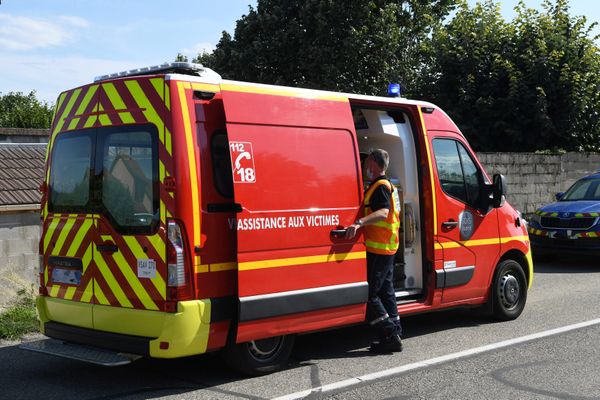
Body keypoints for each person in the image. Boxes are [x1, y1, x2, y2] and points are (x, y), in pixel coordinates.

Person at [346, 149, 403, 353]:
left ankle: (389, 333)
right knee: (387, 292)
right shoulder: (385, 185)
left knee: (371, 295)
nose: (365, 166)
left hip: (379, 248)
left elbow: (383, 212)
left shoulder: (380, 186)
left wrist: (359, 223)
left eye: (367, 161)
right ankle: (395, 332)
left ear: (373, 163)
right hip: (387, 247)